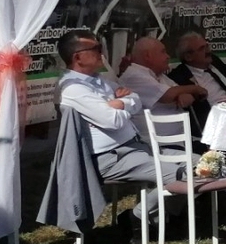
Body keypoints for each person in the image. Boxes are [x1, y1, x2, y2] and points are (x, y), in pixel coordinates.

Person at [56, 29, 155, 184]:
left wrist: (121, 103)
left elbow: (136, 98)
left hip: (133, 147)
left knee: (188, 164)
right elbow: (114, 121)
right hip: (112, 157)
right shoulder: (73, 88)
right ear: (77, 57)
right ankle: (149, 203)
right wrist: (127, 105)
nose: (102, 54)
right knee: (182, 172)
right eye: (97, 49)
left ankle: (151, 201)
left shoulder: (98, 79)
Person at [169, 32, 226, 129]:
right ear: (188, 57)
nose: (208, 51)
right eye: (202, 48)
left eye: (207, 46)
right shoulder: (180, 77)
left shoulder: (214, 61)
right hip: (215, 122)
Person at [118, 36, 205, 117]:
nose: (168, 56)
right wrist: (195, 88)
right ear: (147, 56)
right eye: (163, 52)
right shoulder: (134, 75)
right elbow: (167, 95)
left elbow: (178, 91)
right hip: (152, 129)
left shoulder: (159, 74)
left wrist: (185, 94)